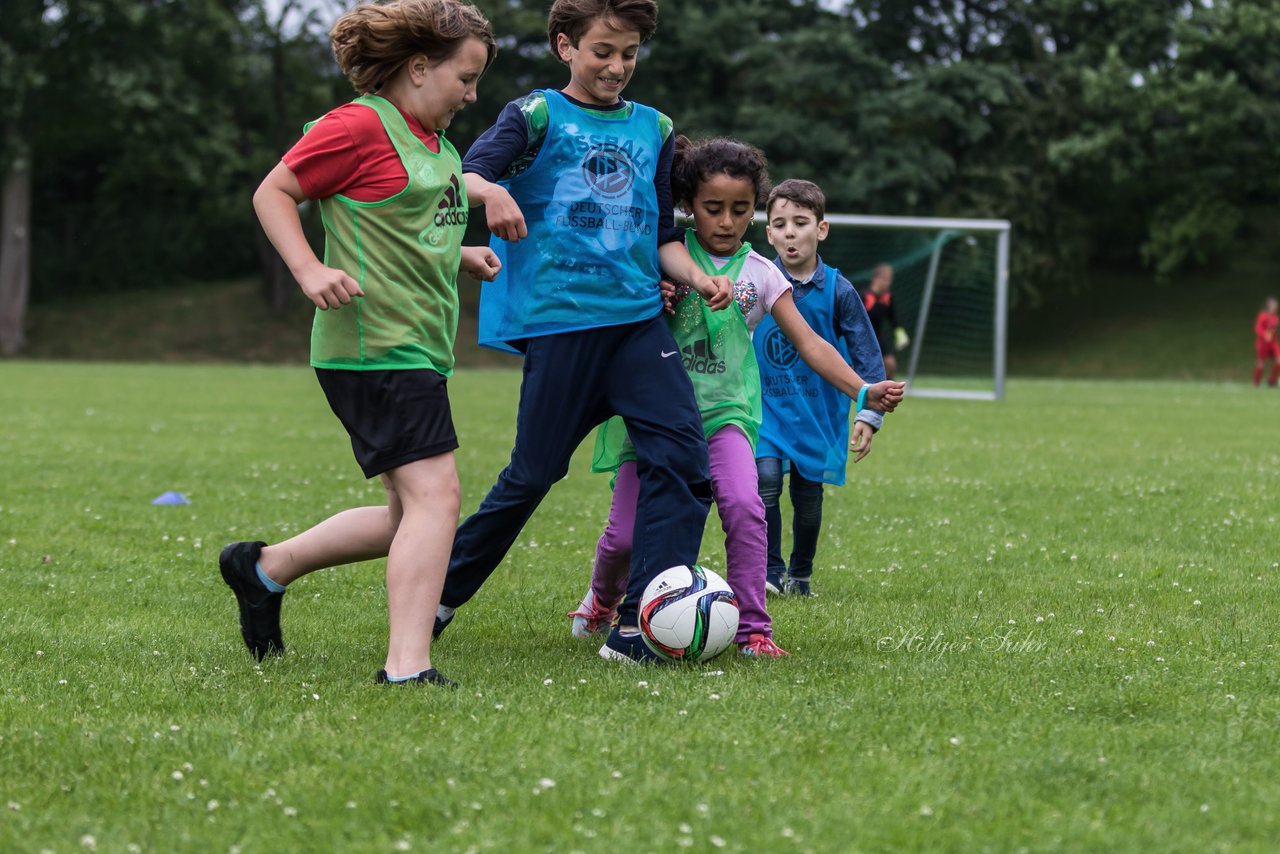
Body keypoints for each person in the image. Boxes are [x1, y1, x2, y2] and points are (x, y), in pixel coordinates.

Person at [431, 0, 736, 664]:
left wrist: (697, 275)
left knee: (683, 464)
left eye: (628, 53)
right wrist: (494, 194)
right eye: (603, 51)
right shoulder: (535, 115)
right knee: (533, 474)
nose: (617, 66)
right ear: (565, 46)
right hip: (564, 326)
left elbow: (661, 238)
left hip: (637, 325)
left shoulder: (655, 128)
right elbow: (462, 172)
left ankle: (644, 625)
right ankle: (437, 596)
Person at [219, 0, 500, 687]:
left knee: (406, 514)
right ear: (418, 66)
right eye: (465, 77)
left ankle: (263, 569)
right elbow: (275, 191)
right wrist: (309, 268)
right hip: (375, 348)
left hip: (417, 349)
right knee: (437, 498)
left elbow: (401, 222)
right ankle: (407, 666)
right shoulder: (359, 126)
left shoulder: (432, 140)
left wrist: (458, 255)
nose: (472, 93)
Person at [568, 138, 904, 658]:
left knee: (746, 506)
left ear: (757, 212)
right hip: (653, 415)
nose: (726, 221)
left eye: (741, 210)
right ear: (688, 207)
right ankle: (603, 602)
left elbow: (811, 343)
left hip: (726, 414)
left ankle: (753, 630)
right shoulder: (664, 254)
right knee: (625, 536)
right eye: (713, 208)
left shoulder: (764, 275)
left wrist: (862, 389)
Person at [755, 179, 888, 597]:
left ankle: (800, 575)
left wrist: (869, 413)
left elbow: (867, 354)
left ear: (822, 229)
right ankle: (770, 572)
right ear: (769, 233)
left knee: (808, 498)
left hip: (818, 412)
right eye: (780, 224)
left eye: (800, 222)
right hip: (765, 409)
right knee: (766, 482)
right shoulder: (753, 279)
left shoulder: (840, 290)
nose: (790, 232)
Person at [863, 263, 908, 380]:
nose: (887, 283)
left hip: (878, 337)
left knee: (890, 364)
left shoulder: (887, 298)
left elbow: (894, 319)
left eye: (889, 279)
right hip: (862, 337)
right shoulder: (865, 297)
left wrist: (900, 333)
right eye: (884, 279)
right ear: (875, 278)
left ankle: (887, 392)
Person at [1254, 296, 1279, 387]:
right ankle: (1256, 383)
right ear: (1268, 306)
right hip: (1262, 344)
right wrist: (1264, 335)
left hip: (1272, 344)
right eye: (1272, 306)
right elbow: (1257, 328)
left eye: (1275, 306)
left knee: (1278, 360)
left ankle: (1272, 381)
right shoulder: (1262, 315)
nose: (1274, 307)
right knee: (1261, 364)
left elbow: (1273, 331)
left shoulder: (1275, 318)